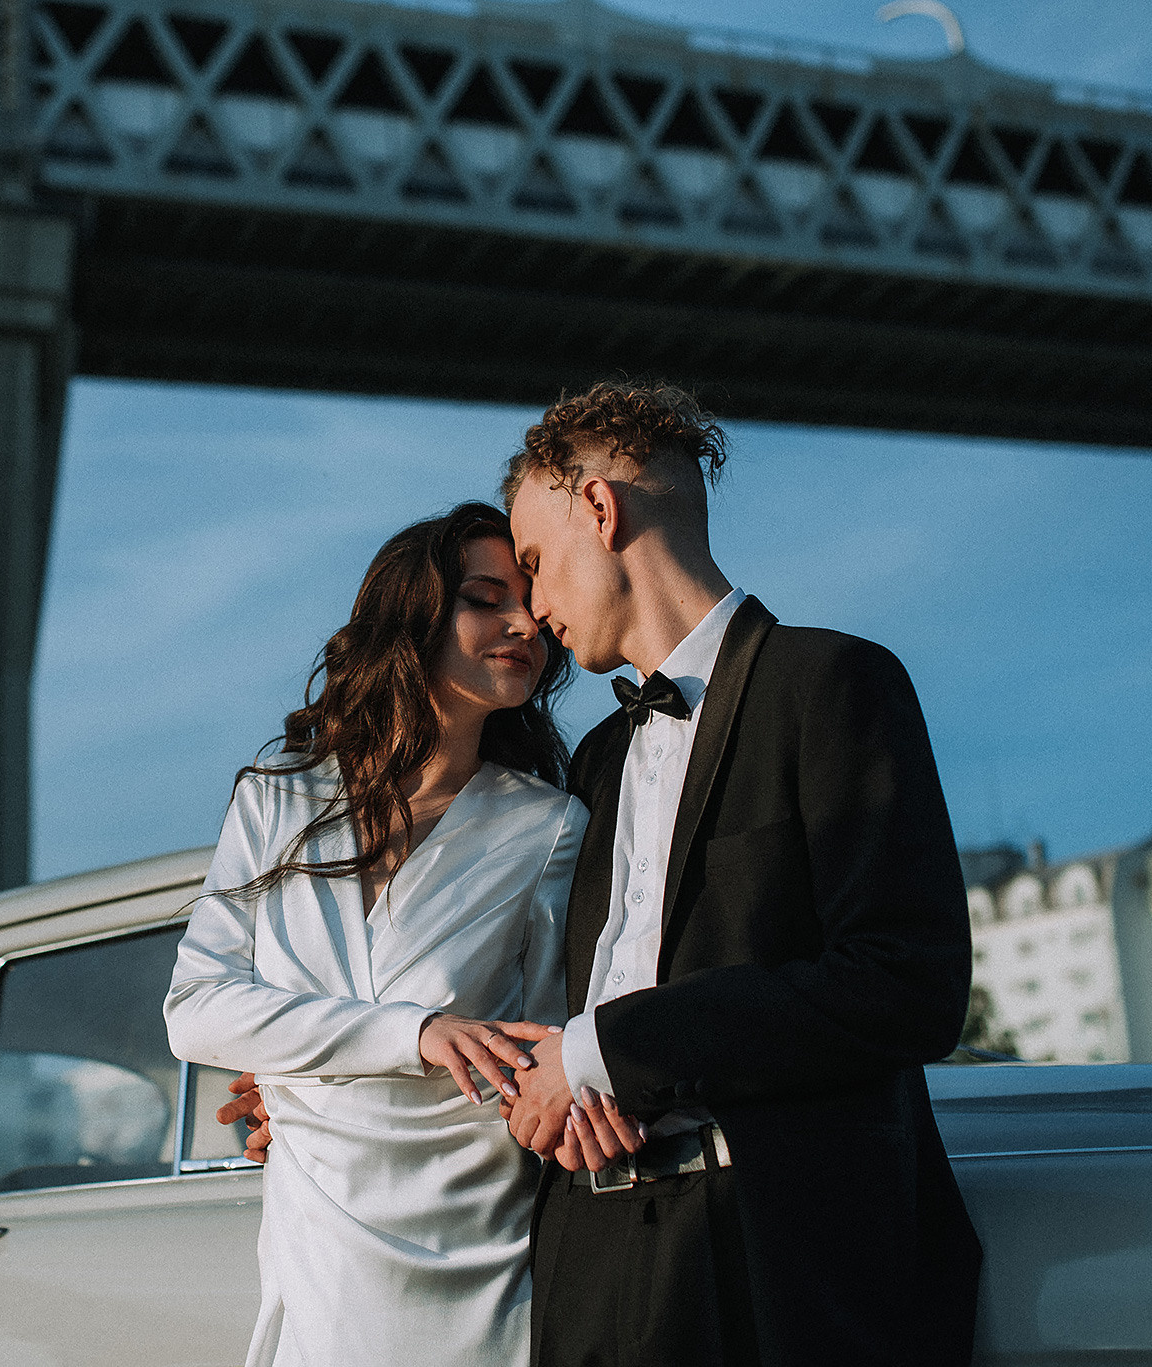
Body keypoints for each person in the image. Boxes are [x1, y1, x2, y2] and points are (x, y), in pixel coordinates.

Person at [228, 381, 982, 1367]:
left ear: (598, 507)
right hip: (589, 1266)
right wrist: (327, 1091)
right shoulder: (590, 767)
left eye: (535, 564)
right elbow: (520, 1012)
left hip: (778, 1261)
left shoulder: (831, 683)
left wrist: (609, 1052)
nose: (534, 610)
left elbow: (904, 982)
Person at [163, 502, 636, 1367]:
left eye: (528, 602)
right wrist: (408, 1035)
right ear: (411, 617)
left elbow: (541, 1046)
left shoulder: (547, 827)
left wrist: (302, 1061)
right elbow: (195, 1008)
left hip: (476, 1254)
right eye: (485, 599)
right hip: (320, 1256)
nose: (525, 623)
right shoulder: (277, 799)